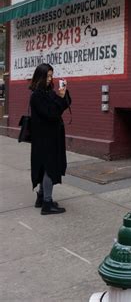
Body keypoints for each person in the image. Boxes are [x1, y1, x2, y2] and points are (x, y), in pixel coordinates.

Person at [29, 63, 71, 215]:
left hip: (50, 137)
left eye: (51, 75)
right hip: (45, 138)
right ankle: (47, 203)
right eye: (47, 76)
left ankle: (41, 197)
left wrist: (63, 93)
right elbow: (52, 113)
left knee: (45, 166)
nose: (50, 79)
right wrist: (59, 99)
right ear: (40, 77)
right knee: (49, 168)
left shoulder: (47, 92)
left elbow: (64, 104)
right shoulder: (37, 96)